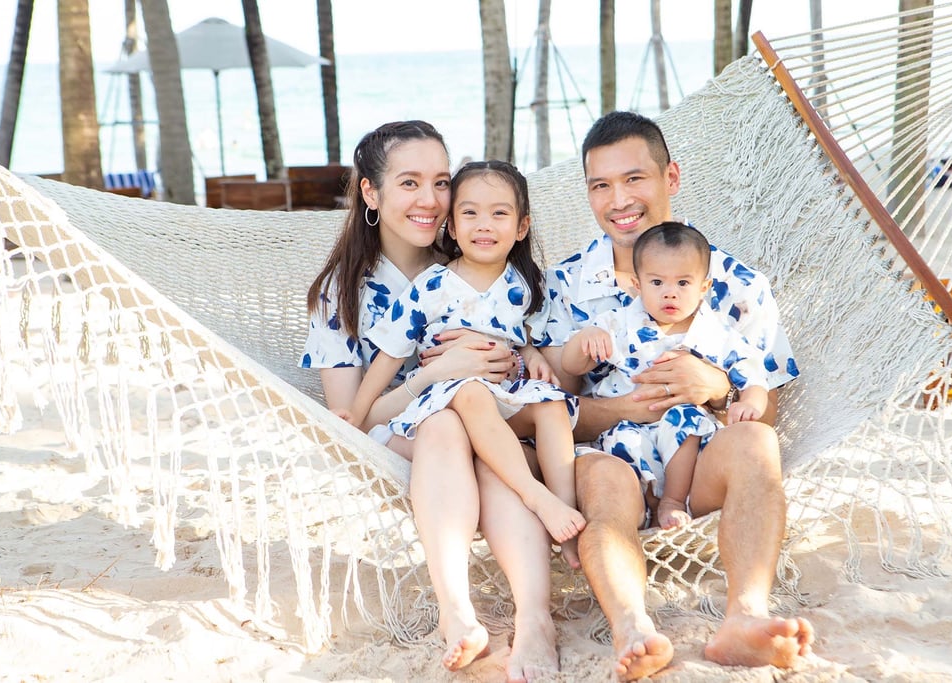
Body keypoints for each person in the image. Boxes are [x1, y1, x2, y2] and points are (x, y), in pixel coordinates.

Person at [537, 110, 814, 680]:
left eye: (634, 178)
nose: (619, 200)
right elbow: (534, 414)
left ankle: (745, 617)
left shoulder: (736, 285)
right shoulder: (563, 288)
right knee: (604, 480)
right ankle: (634, 628)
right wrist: (622, 410)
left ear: (672, 178)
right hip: (614, 458)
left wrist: (717, 388)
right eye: (600, 185)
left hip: (701, 460)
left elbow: (770, 409)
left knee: (757, 443)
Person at [303, 122, 559, 681]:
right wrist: (436, 374)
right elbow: (353, 419)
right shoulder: (341, 293)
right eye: (410, 182)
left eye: (441, 182)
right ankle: (457, 613)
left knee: (479, 439)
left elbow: (532, 336)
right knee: (448, 425)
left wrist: (514, 359)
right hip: (405, 436)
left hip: (493, 424)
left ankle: (535, 620)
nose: (430, 200)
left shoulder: (480, 248)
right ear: (371, 193)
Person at [339, 159, 586, 563]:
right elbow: (390, 354)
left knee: (552, 404)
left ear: (521, 227)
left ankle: (566, 510)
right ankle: (535, 495)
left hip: (506, 395)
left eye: (499, 214)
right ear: (452, 227)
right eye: (469, 213)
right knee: (471, 392)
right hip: (449, 398)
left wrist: (531, 354)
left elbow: (530, 334)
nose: (483, 225)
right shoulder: (433, 284)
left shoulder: (527, 284)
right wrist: (356, 412)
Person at [561, 222, 768, 531]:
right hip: (627, 424)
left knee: (687, 419)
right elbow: (571, 365)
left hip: (682, 434)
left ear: (704, 287)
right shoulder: (618, 324)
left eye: (683, 283)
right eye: (657, 282)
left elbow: (753, 375)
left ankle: (672, 501)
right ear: (637, 284)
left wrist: (750, 402)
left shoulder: (714, 334)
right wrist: (586, 340)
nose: (670, 293)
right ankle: (644, 507)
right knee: (622, 440)